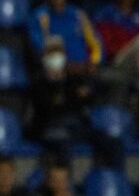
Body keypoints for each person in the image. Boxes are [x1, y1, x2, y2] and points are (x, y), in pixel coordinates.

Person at [27, 36, 121, 166]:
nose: (56, 56)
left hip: (77, 126)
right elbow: (46, 108)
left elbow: (87, 100)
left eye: (59, 52)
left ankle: (112, 180)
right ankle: (64, 184)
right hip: (51, 127)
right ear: (44, 56)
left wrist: (67, 100)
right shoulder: (38, 82)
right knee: (62, 141)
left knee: (112, 141)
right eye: (51, 52)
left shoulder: (73, 78)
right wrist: (72, 98)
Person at [28, 0, 103, 75]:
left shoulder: (78, 15)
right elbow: (39, 46)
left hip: (85, 68)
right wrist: (63, 65)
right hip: (56, 71)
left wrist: (94, 62)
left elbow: (96, 43)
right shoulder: (39, 18)